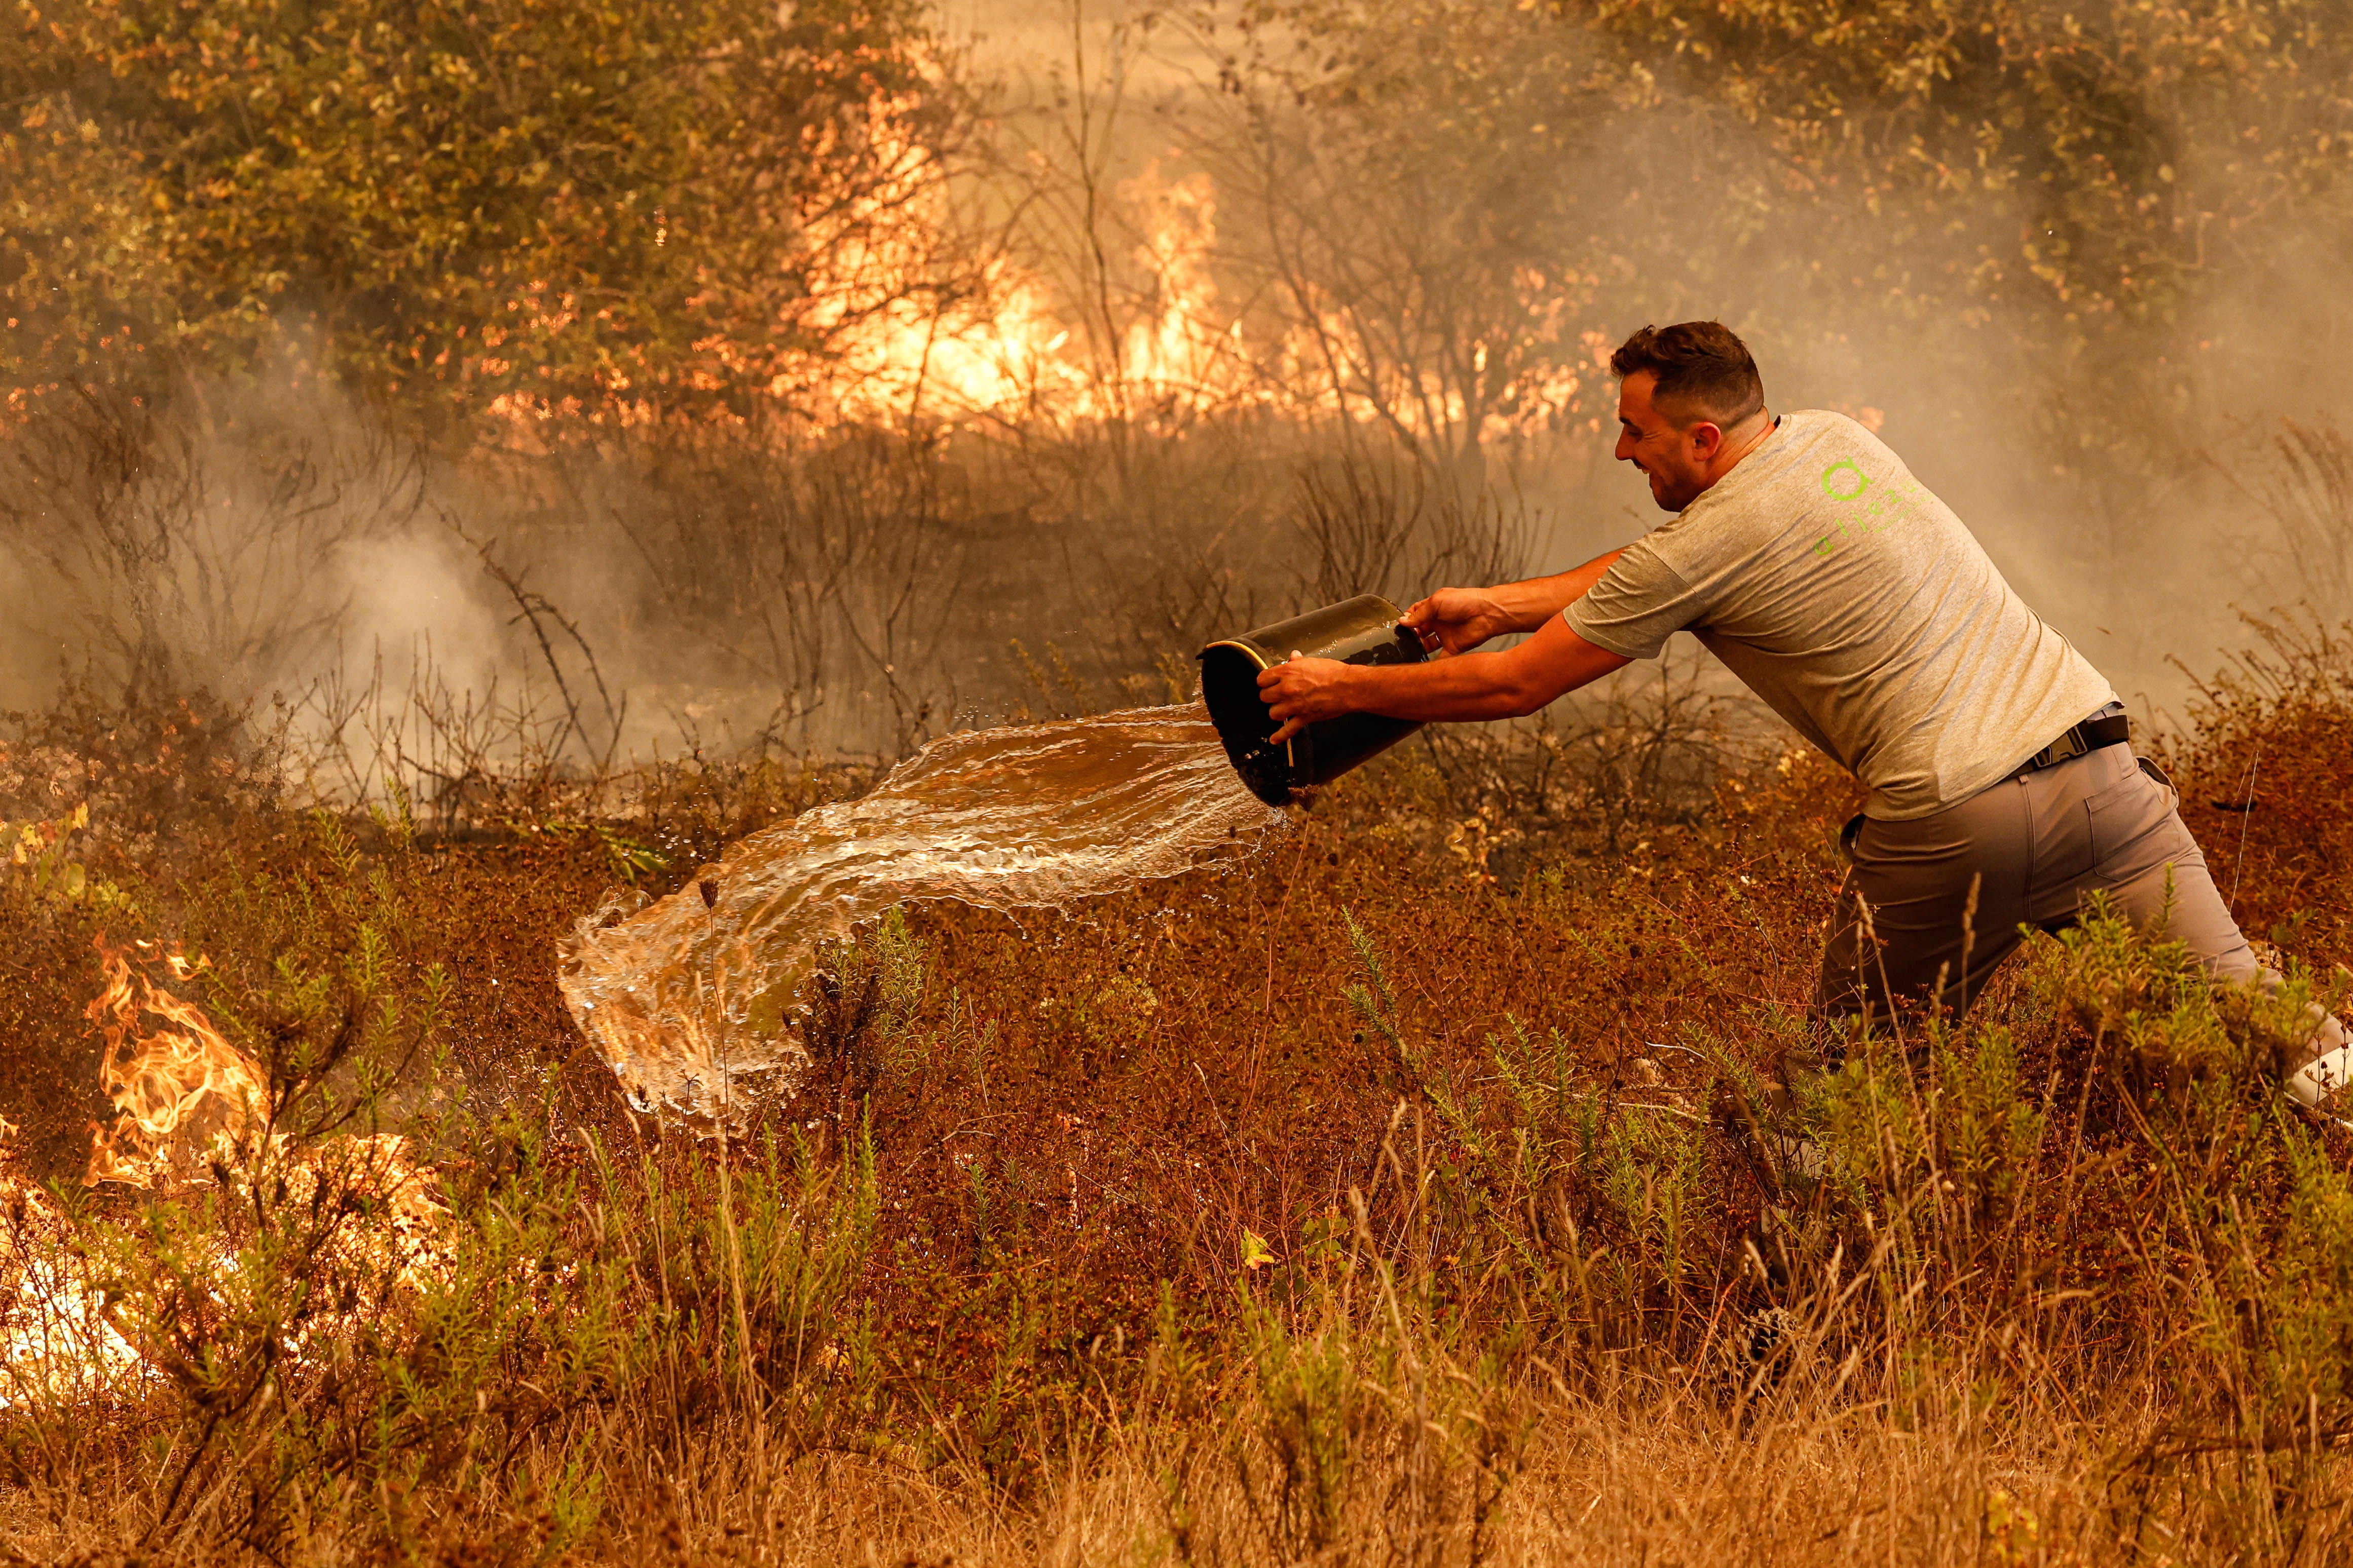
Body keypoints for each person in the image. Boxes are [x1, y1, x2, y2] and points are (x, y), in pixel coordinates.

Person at [1257, 319, 2349, 1112]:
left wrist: (1336, 688)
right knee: (2277, 1033)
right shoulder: (1833, 442)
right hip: (2107, 780)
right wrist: (1499, 601)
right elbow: (1666, 570)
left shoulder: (1706, 542)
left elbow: (1515, 685)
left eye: (1635, 432)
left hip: (1954, 819)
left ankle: (1800, 1334)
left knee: (1848, 1096)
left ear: (1702, 444)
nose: (1621, 451)